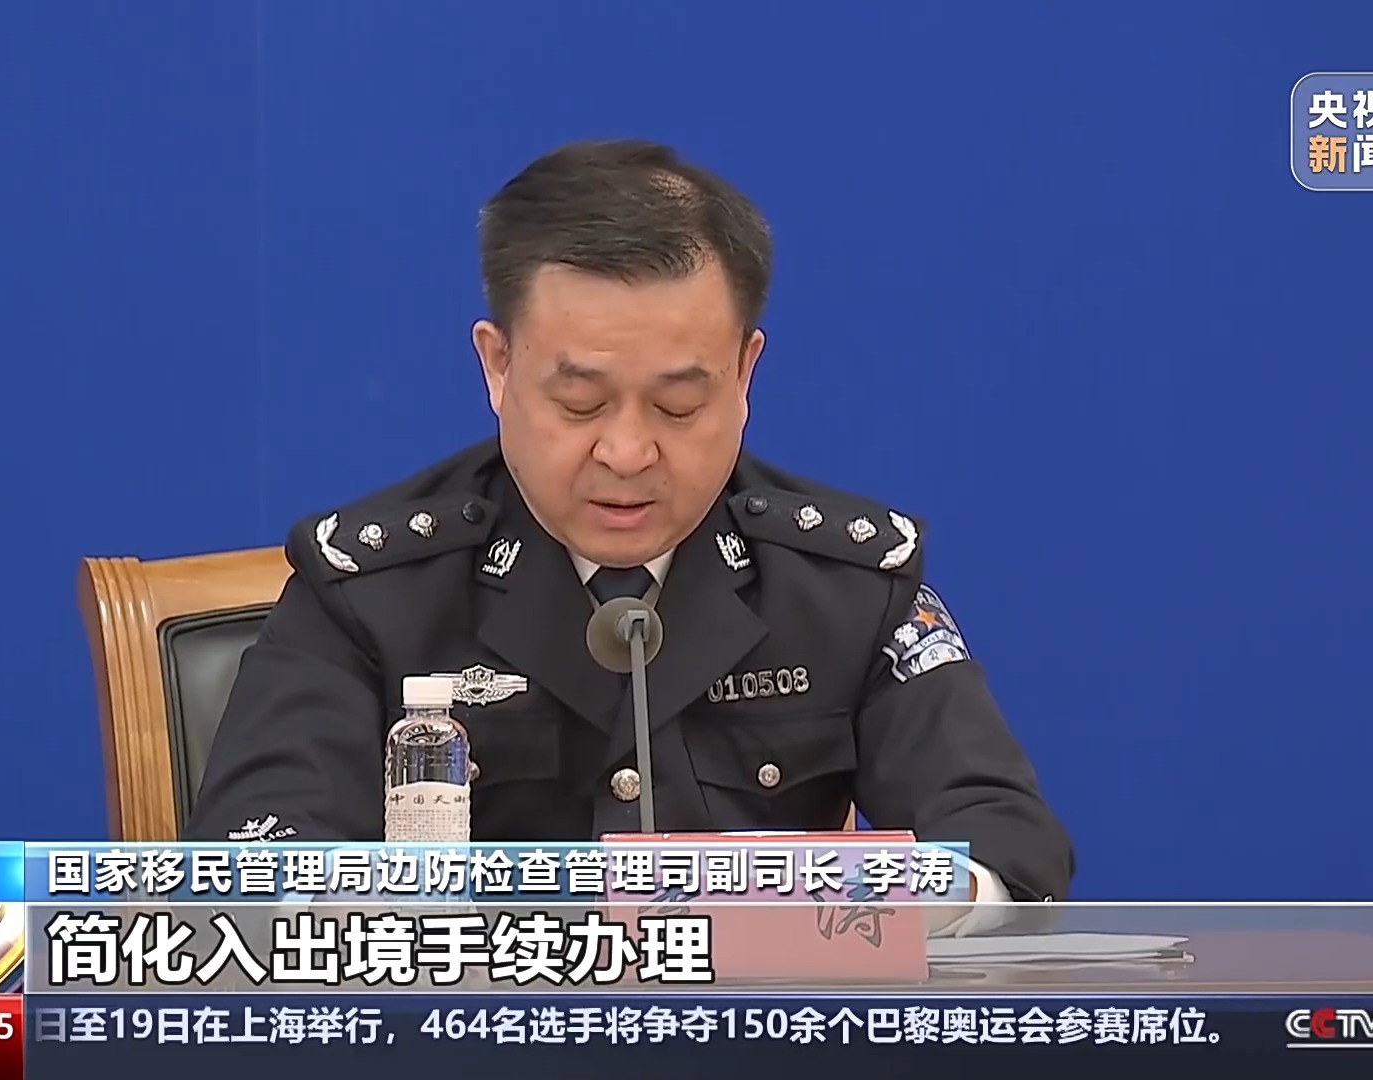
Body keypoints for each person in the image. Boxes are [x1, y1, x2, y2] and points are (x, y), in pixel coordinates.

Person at [187, 140, 1074, 923]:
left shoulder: (844, 584)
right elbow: (252, 864)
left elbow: (1010, 847)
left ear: (745, 374)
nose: (626, 452)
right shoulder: (370, 591)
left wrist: (870, 900)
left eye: (678, 405)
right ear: (498, 367)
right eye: (580, 402)